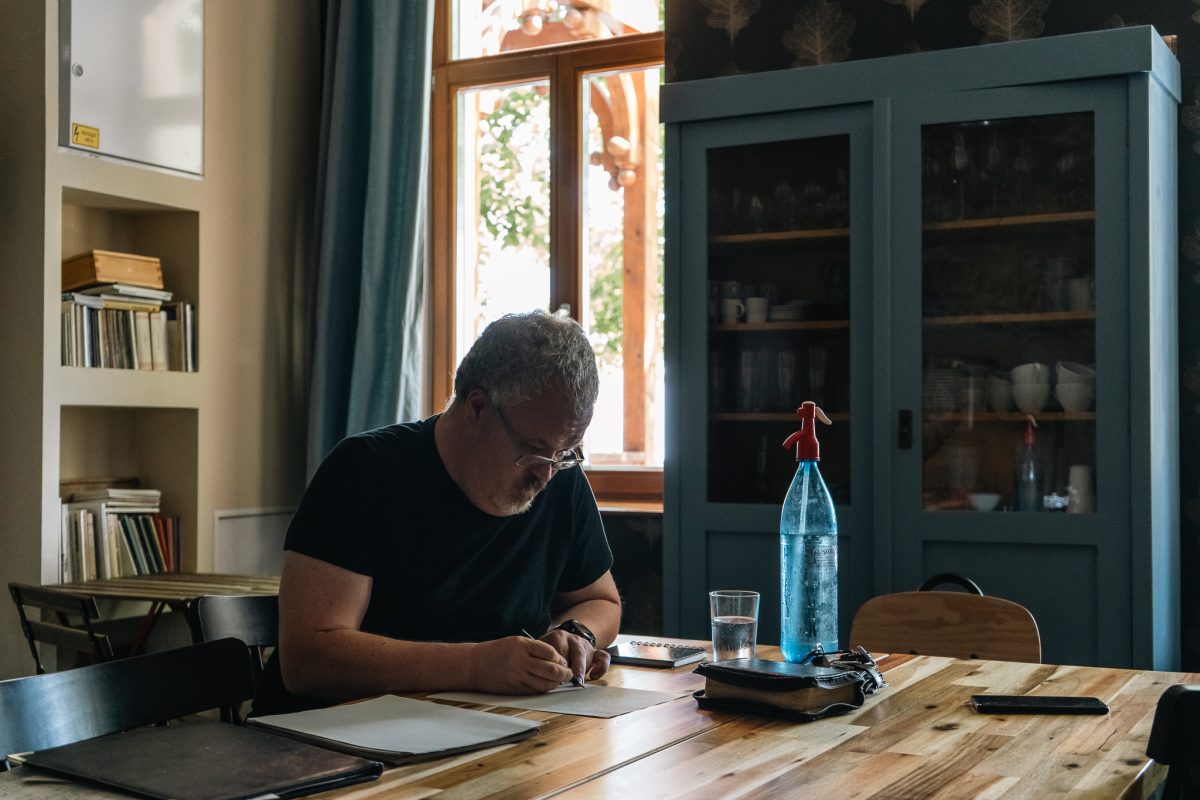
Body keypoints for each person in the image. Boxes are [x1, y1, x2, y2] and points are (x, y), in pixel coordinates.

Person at [254, 310, 621, 714]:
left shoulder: (561, 480)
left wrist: (576, 633)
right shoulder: (364, 471)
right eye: (533, 450)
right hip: (324, 734)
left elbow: (602, 601)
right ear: (477, 407)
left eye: (565, 453)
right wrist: (475, 665)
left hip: (481, 727)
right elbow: (308, 661)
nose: (547, 474)